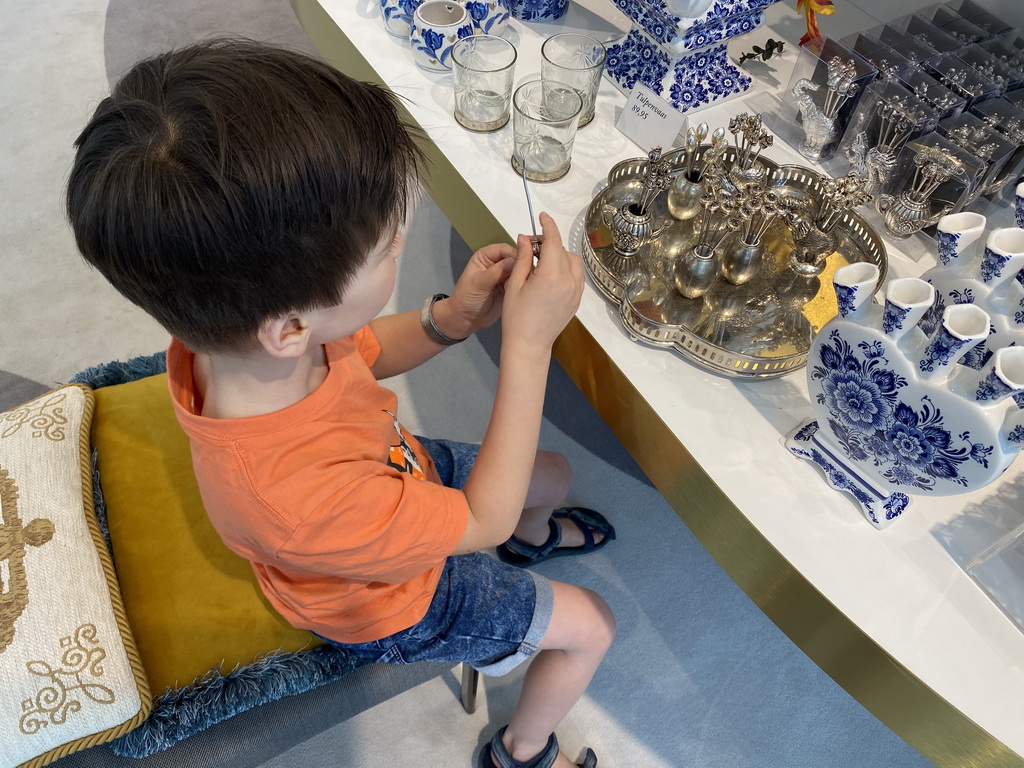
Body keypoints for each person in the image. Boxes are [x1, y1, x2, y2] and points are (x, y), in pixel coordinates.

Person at [66, 38, 617, 768]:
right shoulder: (296, 499)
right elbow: (481, 522)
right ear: (291, 325)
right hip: (394, 599)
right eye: (390, 247)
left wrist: (446, 319)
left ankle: (536, 535)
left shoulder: (247, 342)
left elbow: (360, 346)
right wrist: (528, 345)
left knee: (546, 476)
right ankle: (523, 747)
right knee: (592, 624)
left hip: (394, 474)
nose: (401, 248)